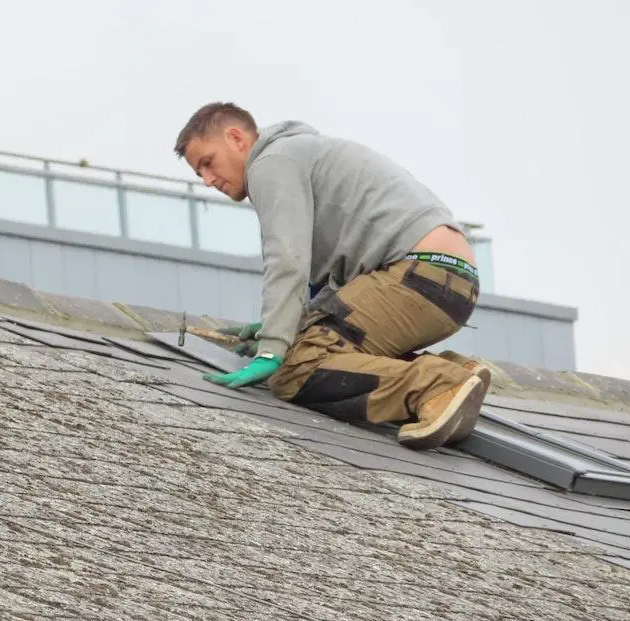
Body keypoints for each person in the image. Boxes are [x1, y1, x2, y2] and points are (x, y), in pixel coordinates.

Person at [173, 102, 491, 450]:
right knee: (319, 343)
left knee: (296, 369)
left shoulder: (270, 163)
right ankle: (457, 373)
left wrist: (272, 350)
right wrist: (283, 326)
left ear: (236, 138)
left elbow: (287, 259)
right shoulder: (301, 155)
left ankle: (436, 385)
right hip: (450, 280)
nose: (207, 180)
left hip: (417, 274)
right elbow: (324, 288)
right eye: (198, 173)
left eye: (207, 162)